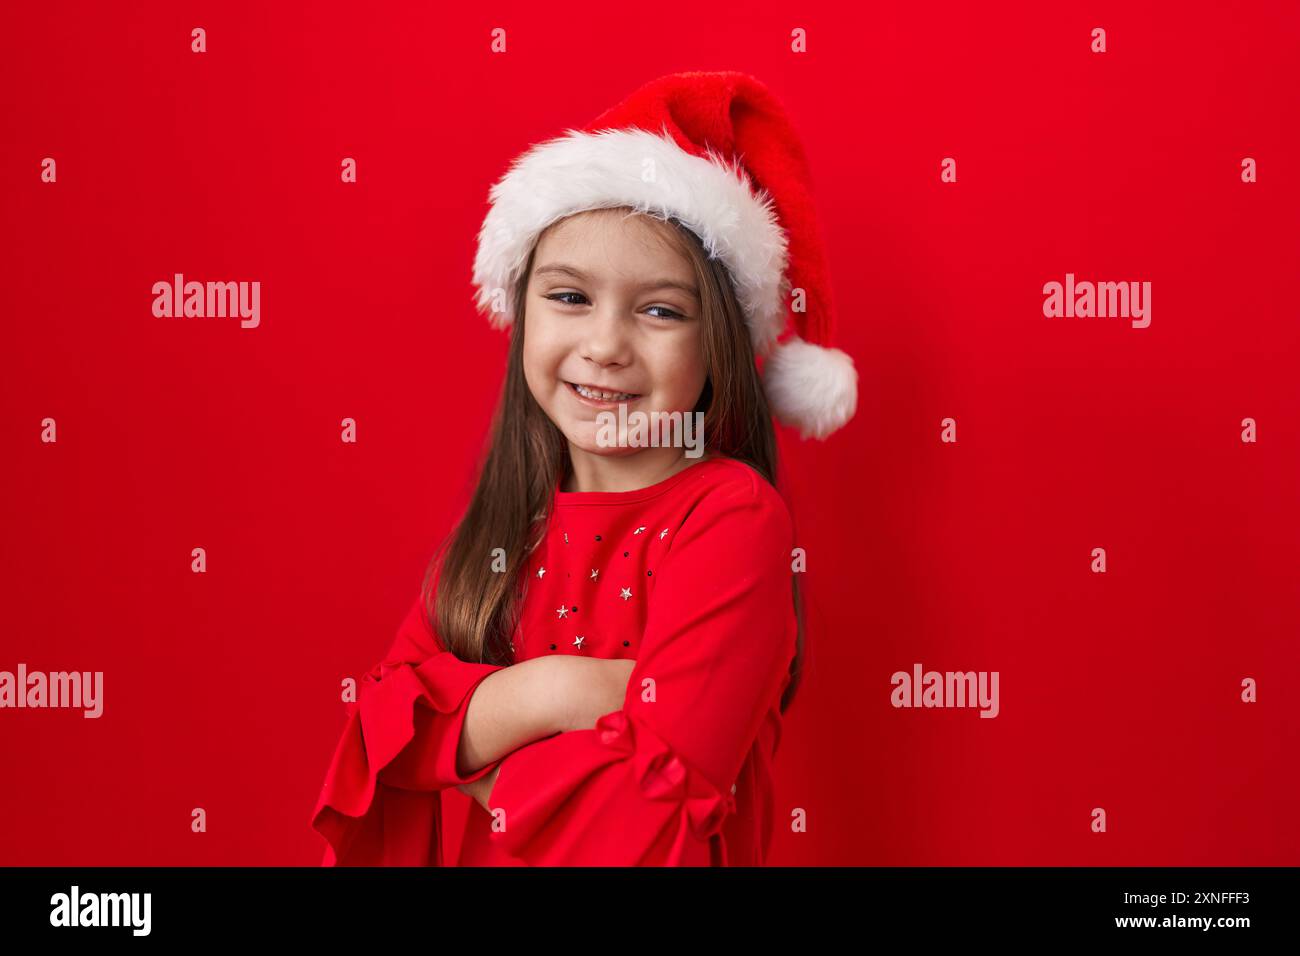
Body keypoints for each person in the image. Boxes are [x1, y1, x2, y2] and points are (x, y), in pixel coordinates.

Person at [310, 70, 858, 866]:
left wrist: (470, 745)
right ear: (522, 308)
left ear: (719, 349)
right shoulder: (507, 523)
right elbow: (381, 732)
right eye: (570, 297)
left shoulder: (731, 520)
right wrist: (560, 691)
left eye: (660, 310)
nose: (605, 345)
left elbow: (641, 815)